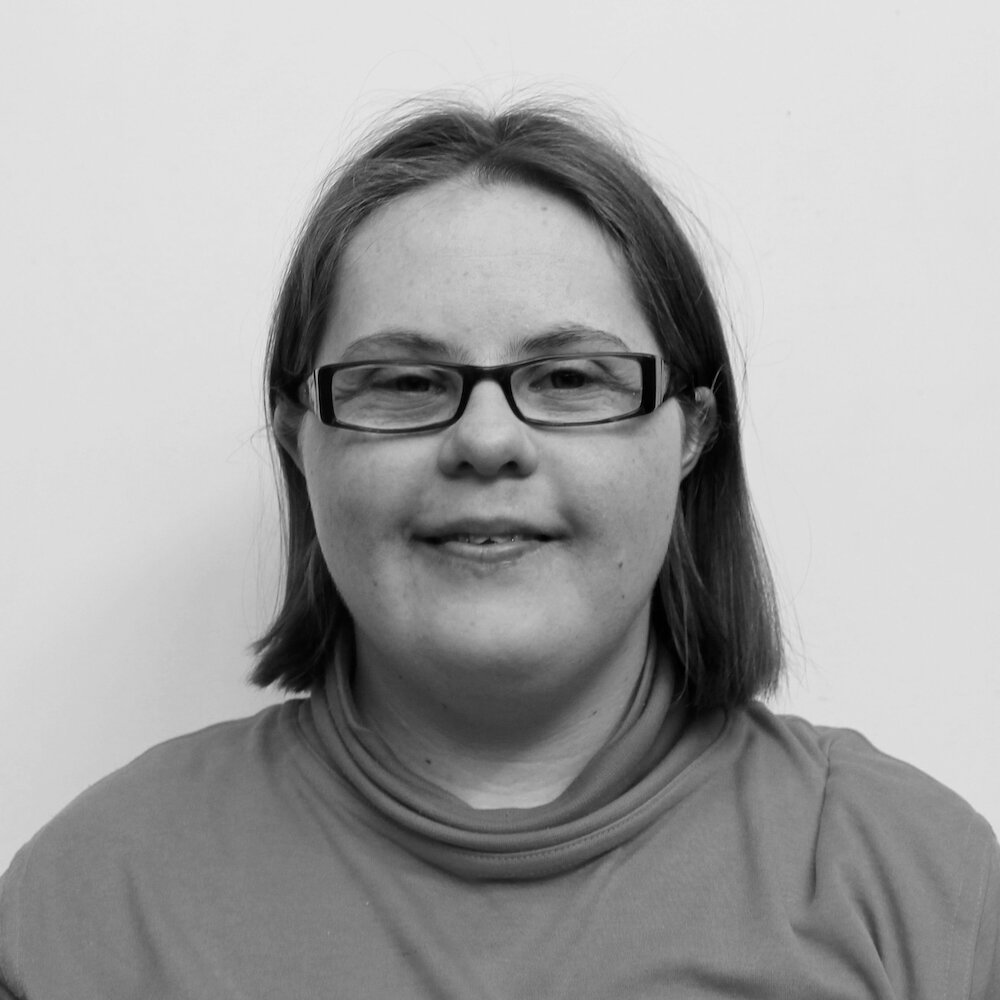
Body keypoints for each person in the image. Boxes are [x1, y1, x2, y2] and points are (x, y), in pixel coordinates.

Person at [1, 98, 996, 999]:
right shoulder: (96, 895)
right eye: (401, 381)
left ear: (690, 433)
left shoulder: (918, 882)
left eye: (569, 378)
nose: (485, 440)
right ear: (302, 436)